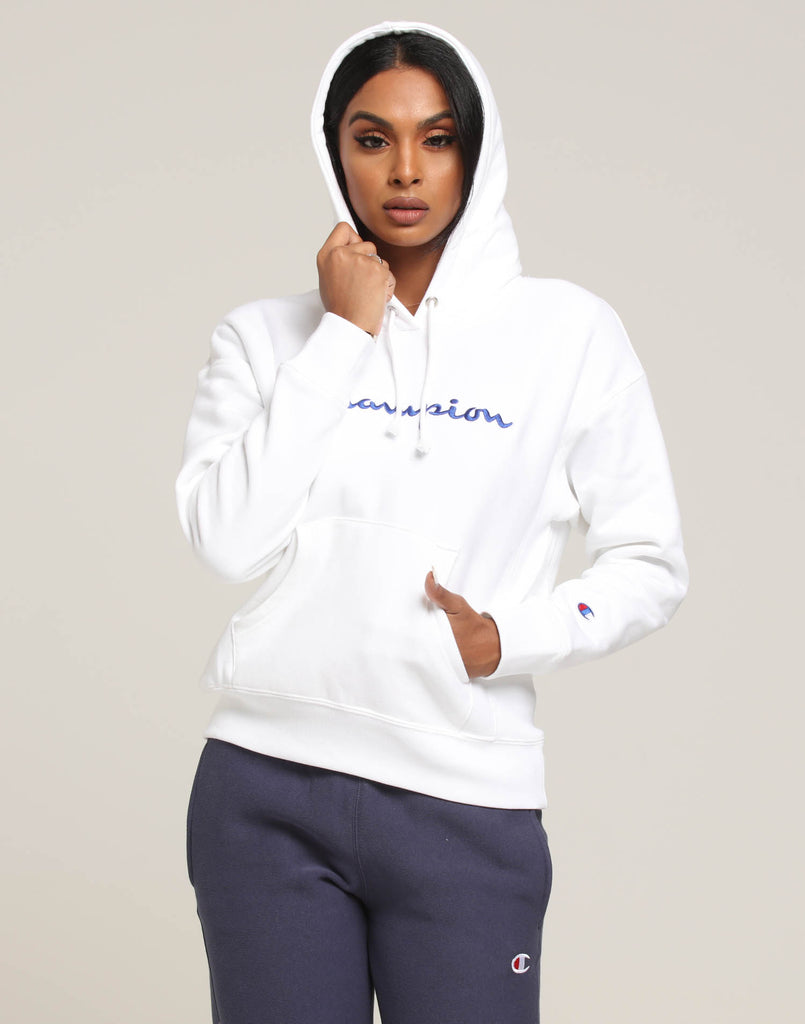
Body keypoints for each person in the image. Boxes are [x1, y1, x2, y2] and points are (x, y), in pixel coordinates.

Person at [176, 20, 688, 1024]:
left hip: (465, 799)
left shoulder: (568, 335)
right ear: (334, 153)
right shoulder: (263, 338)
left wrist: (509, 637)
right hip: (265, 792)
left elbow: (649, 562)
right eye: (372, 139)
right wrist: (342, 334)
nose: (405, 170)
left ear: (474, 151)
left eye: (437, 138)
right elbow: (227, 541)